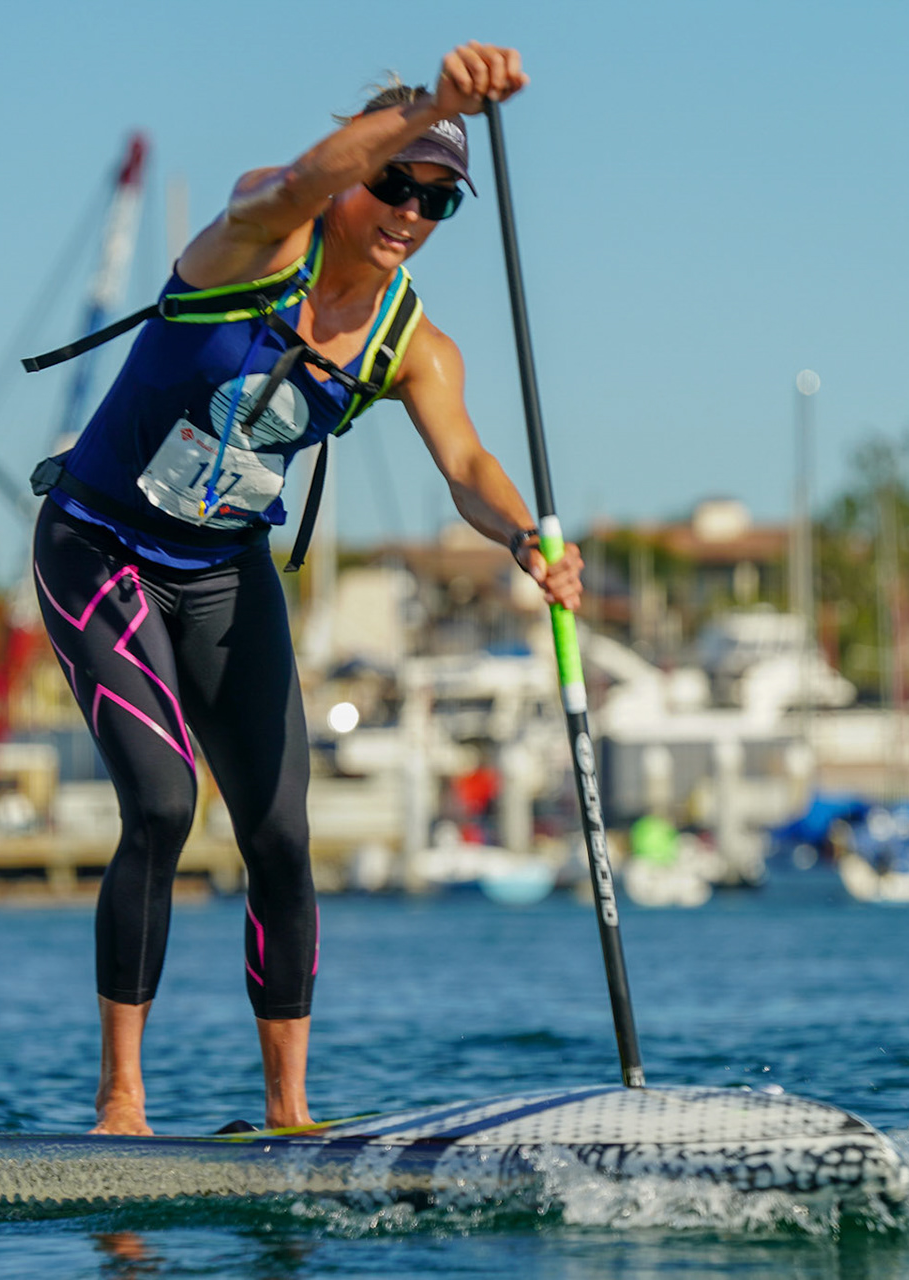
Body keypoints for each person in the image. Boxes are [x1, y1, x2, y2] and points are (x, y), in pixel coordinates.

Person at [30, 41, 582, 1136]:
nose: (411, 211)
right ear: (355, 176)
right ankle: (122, 1102)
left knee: (281, 833)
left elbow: (467, 465)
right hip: (99, 549)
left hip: (224, 571)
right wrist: (431, 105)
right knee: (160, 802)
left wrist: (527, 536)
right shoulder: (253, 238)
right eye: (396, 181)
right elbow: (293, 182)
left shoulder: (412, 343)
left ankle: (288, 1114)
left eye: (437, 201)